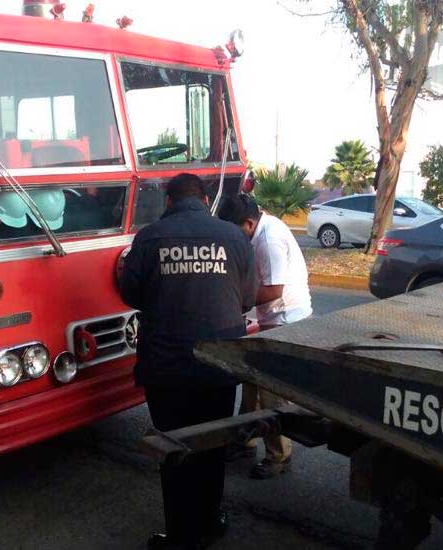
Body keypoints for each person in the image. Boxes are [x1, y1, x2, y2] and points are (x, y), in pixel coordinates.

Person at [119, 174, 258, 550]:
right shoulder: (234, 237)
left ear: (168, 201)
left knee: (175, 448)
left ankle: (180, 536)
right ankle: (210, 523)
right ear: (207, 198)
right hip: (221, 364)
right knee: (212, 446)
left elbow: (130, 293)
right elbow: (248, 299)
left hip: (167, 366)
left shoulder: (149, 238)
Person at [218, 193, 312, 480]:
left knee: (272, 393)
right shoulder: (259, 230)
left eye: (234, 231)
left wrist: (234, 300)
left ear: (248, 223)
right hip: (272, 318)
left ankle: (279, 456)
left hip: (285, 320)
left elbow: (273, 290)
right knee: (251, 384)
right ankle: (246, 441)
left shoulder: (269, 240)